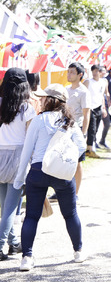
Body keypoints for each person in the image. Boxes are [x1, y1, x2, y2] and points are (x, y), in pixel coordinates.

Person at [13, 83, 87, 271]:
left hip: (38, 171)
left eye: (44, 97)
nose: (41, 99)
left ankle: (27, 258)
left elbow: (26, 151)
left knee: (31, 216)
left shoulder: (38, 120)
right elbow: (81, 146)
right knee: (70, 214)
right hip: (61, 172)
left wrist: (19, 178)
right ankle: (78, 251)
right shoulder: (69, 121)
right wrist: (68, 161)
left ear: (50, 100)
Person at [0, 69, 36, 260]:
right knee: (10, 208)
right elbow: (30, 140)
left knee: (5, 206)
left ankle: (14, 244)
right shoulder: (27, 108)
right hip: (17, 159)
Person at [66, 62, 91, 198]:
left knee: (77, 162)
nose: (69, 74)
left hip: (77, 130)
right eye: (68, 71)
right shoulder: (66, 89)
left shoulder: (83, 92)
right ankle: (63, 191)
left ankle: (75, 193)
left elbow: (86, 114)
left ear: (80, 75)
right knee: (63, 161)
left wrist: (84, 133)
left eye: (72, 72)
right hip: (64, 129)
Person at [83, 65, 107, 158]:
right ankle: (89, 149)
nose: (95, 73)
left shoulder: (103, 82)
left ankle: (90, 147)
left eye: (97, 71)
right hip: (90, 108)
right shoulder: (88, 82)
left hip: (99, 107)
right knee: (91, 129)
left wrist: (104, 108)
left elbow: (102, 96)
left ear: (100, 72)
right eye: (93, 71)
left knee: (96, 129)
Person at [97, 66, 111, 148]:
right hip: (96, 105)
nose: (103, 72)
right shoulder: (94, 81)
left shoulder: (105, 80)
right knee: (96, 124)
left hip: (104, 105)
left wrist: (109, 101)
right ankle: (93, 142)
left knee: (107, 123)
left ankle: (102, 140)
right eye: (102, 71)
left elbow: (106, 92)